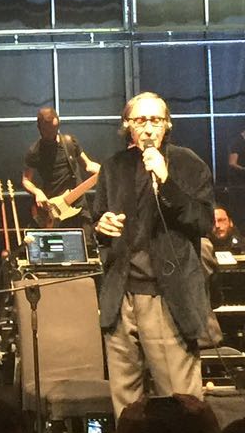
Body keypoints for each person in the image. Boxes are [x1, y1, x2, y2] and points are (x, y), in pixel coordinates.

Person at [90, 91, 215, 414]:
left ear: (167, 125)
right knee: (126, 405)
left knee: (179, 401)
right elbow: (97, 221)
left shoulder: (188, 163)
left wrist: (166, 180)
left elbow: (203, 221)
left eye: (155, 120)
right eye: (140, 120)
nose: (148, 128)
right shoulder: (113, 167)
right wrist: (101, 227)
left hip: (166, 296)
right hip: (120, 296)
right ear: (127, 126)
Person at [22, 106, 100, 223]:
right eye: (47, 131)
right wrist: (37, 192)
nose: (52, 134)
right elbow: (26, 180)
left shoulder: (70, 142)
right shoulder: (35, 151)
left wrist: (106, 170)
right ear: (39, 128)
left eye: (55, 129)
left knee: (86, 234)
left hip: (78, 204)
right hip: (54, 209)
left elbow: (88, 165)